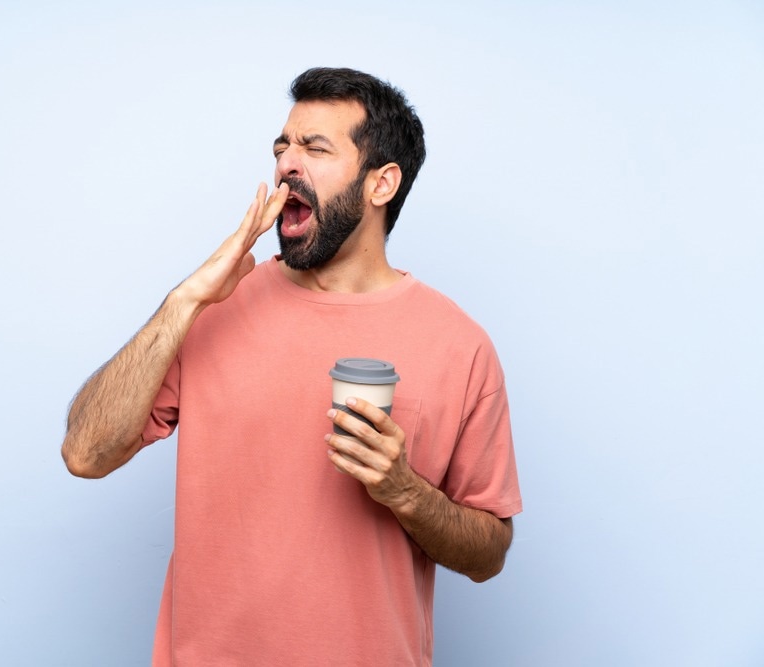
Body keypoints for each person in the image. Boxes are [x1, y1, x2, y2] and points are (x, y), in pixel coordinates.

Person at [61, 67, 522, 666]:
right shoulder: (216, 307)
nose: (286, 162)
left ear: (381, 184)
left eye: (315, 147)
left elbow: (488, 555)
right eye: (282, 146)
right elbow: (85, 454)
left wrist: (404, 491)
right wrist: (185, 300)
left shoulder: (460, 346)